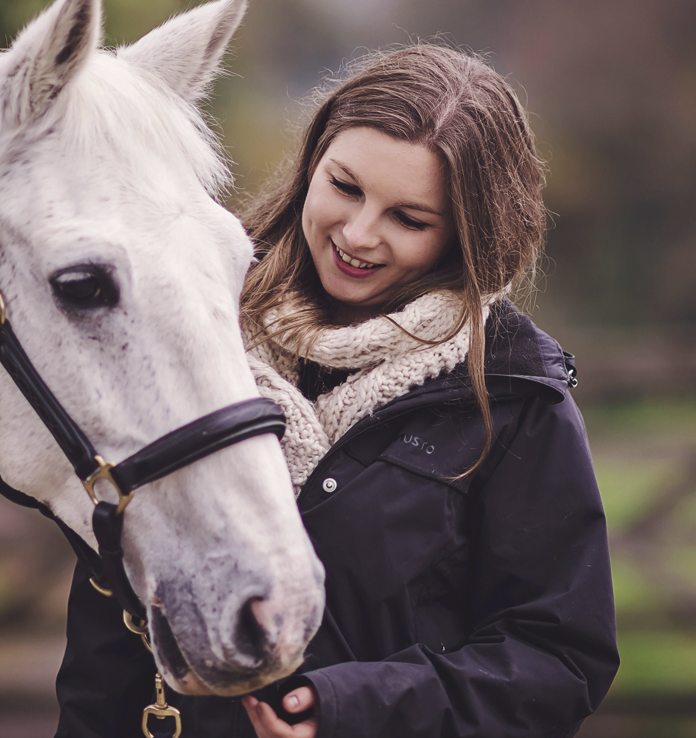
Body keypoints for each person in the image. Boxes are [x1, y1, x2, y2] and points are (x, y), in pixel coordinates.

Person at [55, 44, 619, 738]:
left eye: (409, 219)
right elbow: (110, 613)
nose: (357, 235)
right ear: (311, 163)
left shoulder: (511, 395)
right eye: (345, 187)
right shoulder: (197, 333)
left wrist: (352, 711)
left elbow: (558, 660)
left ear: (467, 235)